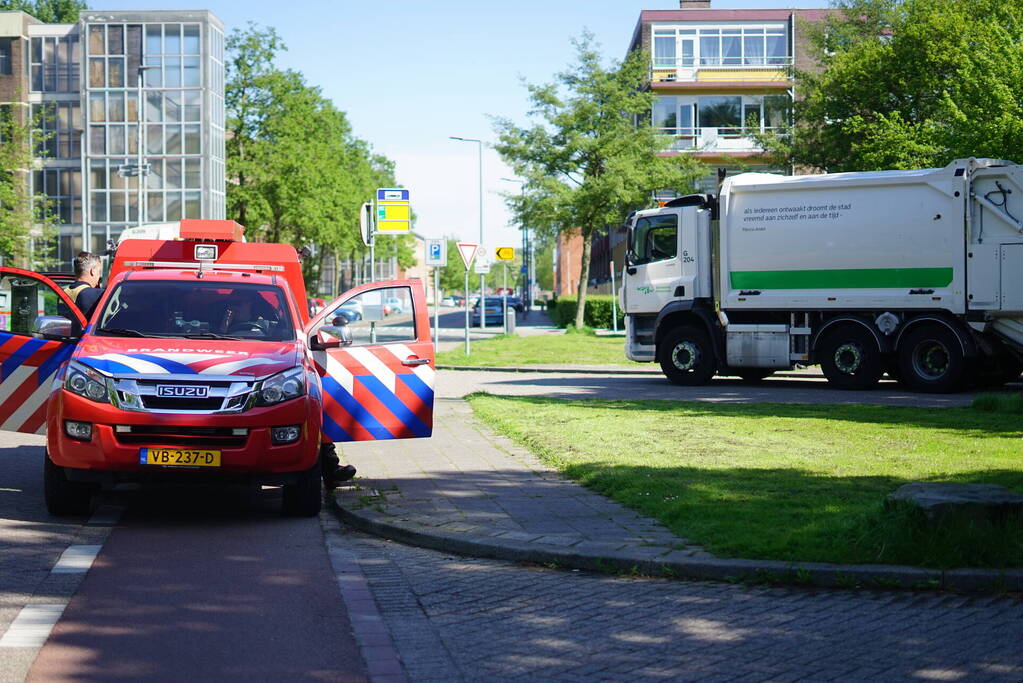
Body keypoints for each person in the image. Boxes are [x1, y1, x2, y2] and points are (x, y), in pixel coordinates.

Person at [64, 252, 104, 321]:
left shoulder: (64, 291)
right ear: (93, 271)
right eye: (99, 272)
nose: (99, 276)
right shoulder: (95, 294)